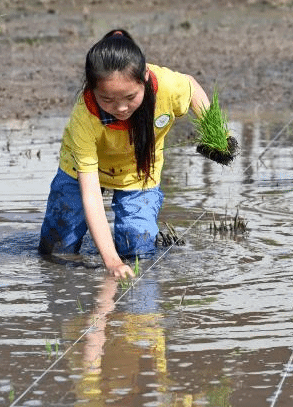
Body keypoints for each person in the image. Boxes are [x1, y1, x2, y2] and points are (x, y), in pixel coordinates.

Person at [39, 29, 222, 279]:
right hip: (79, 170)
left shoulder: (166, 87)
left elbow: (192, 87)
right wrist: (112, 262)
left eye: (130, 97)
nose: (121, 108)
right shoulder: (85, 117)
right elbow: (91, 194)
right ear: (92, 90)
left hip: (137, 170)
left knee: (137, 247)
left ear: (145, 77)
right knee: (59, 247)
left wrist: (217, 136)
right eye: (107, 99)